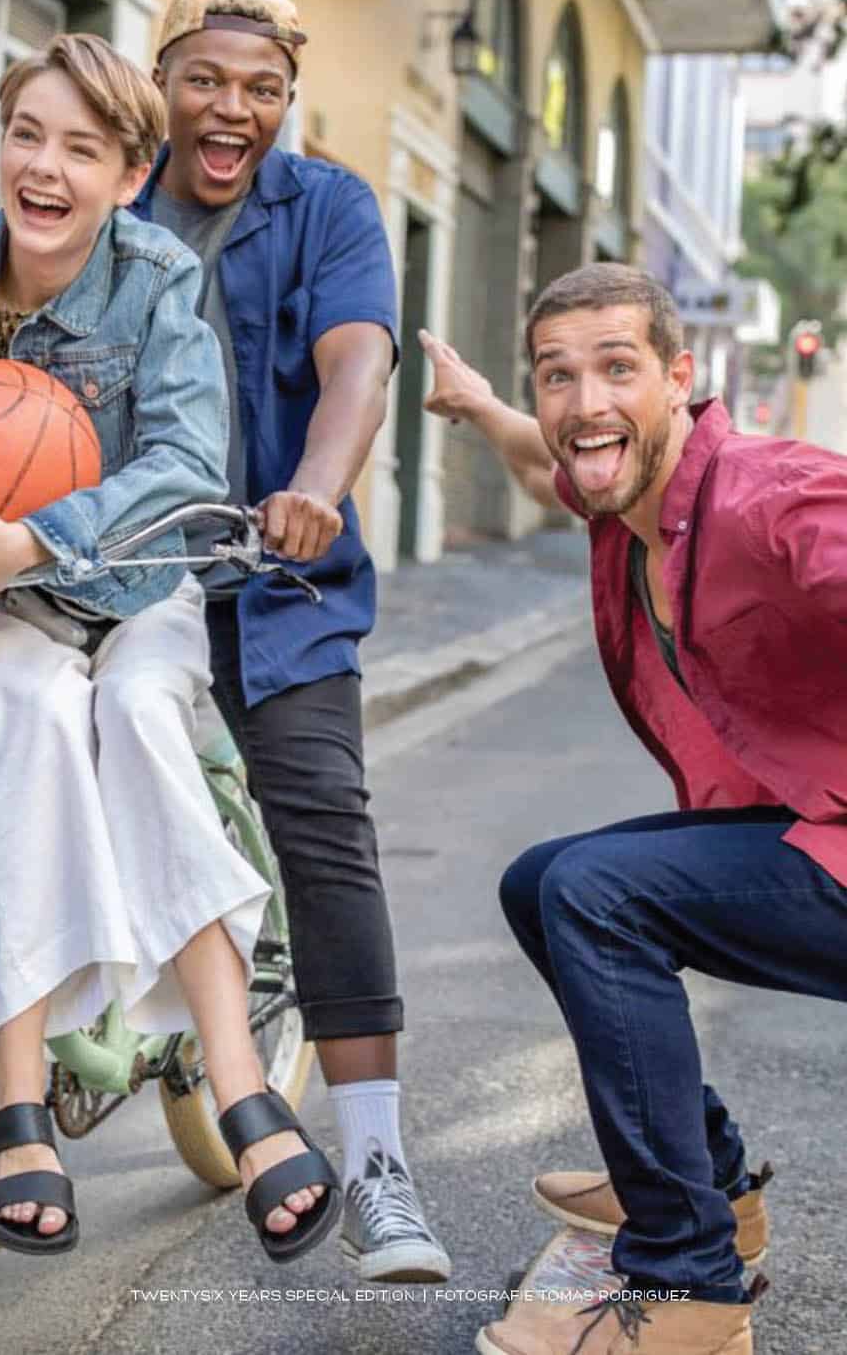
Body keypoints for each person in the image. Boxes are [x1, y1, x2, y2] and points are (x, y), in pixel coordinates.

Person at [0, 33, 342, 1261]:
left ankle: (244, 1086)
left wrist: (34, 540)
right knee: (25, 714)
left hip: (134, 586)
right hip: (11, 613)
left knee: (140, 712)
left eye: (81, 149)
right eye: (26, 133)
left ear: (130, 174)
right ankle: (19, 1098)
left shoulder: (152, 282)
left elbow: (188, 464)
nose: (44, 167)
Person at [419, 266, 846, 1355]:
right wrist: (476, 403)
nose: (582, 402)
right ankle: (704, 1179)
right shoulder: (629, 495)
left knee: (599, 894)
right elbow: (538, 452)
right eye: (557, 376)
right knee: (542, 883)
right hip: (812, 826)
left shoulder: (763, 496)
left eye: (616, 368)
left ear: (679, 379)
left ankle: (687, 1284)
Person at [133, 0, 450, 1280]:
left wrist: (315, 492)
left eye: (264, 86)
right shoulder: (107, 198)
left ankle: (376, 1163)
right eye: (209, 77)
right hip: (121, 563)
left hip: (277, 572)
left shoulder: (329, 208)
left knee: (323, 827)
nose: (235, 107)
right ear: (164, 81)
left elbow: (357, 363)